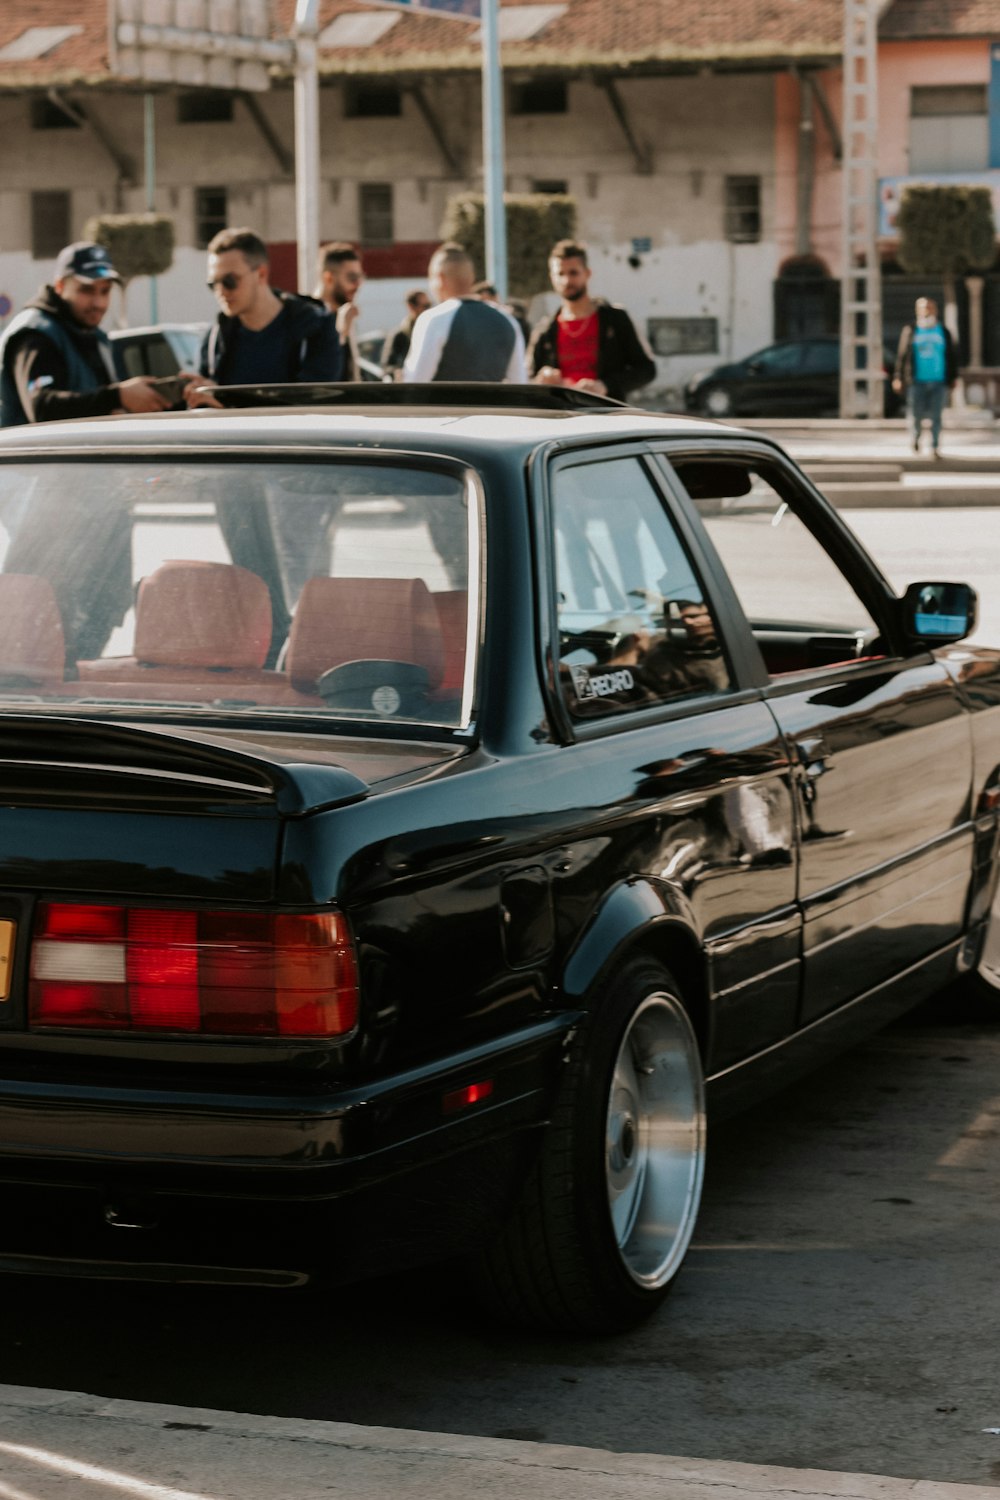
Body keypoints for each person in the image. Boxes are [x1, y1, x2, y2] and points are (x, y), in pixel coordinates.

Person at [0, 241, 178, 427]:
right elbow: (42, 407)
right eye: (87, 290)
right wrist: (118, 396)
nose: (98, 303)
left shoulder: (92, 335)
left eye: (105, 291)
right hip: (35, 455)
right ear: (60, 286)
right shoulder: (35, 334)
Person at [191, 227, 342, 404]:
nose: (221, 291)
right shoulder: (214, 339)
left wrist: (227, 406)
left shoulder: (315, 330)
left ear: (261, 274)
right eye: (213, 284)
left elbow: (311, 407)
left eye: (229, 281)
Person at [528, 239, 656, 403]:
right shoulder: (545, 330)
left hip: (606, 414)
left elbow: (647, 369)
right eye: (560, 274)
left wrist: (604, 385)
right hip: (561, 416)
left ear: (587, 273)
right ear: (551, 277)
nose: (567, 281)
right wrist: (541, 380)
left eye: (573, 272)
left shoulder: (615, 319)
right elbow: (528, 378)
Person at [402, 243, 527, 383]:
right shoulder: (508, 320)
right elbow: (520, 381)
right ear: (472, 277)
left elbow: (416, 381)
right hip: (491, 404)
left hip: (444, 404)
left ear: (440, 279)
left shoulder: (433, 319)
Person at [892, 297, 958, 458]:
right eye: (923, 307)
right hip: (916, 380)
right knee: (915, 414)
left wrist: (953, 378)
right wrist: (898, 376)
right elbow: (902, 355)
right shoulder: (911, 330)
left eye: (929, 307)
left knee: (937, 416)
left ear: (935, 309)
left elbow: (952, 356)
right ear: (917, 310)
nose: (927, 310)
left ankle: (934, 446)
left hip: (939, 380)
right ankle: (915, 439)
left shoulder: (943, 331)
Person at [315, 242, 365, 380]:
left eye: (360, 277)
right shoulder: (308, 317)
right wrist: (341, 332)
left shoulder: (343, 314)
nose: (358, 284)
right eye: (352, 278)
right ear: (329, 278)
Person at [380, 288, 430, 379]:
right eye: (425, 306)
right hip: (409, 386)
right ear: (411, 307)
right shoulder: (399, 335)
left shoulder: (433, 331)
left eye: (429, 305)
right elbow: (387, 367)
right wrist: (397, 372)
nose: (428, 310)